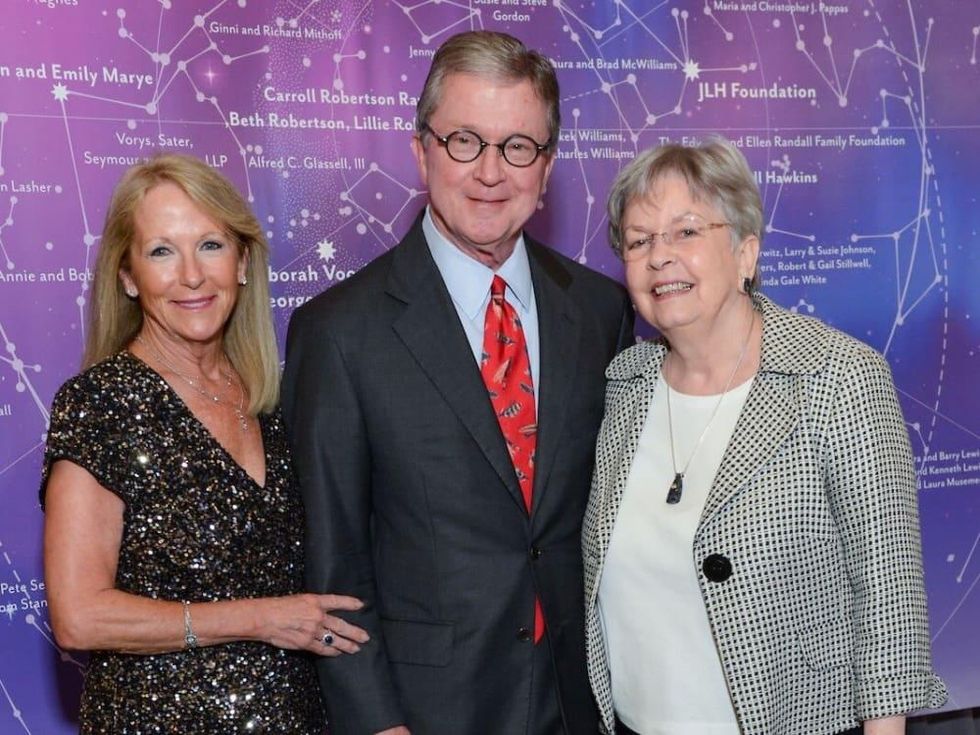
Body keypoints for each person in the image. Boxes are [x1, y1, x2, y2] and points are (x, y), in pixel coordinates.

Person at [282, 30, 634, 735]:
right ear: (421, 151)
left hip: (583, 702)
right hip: (427, 713)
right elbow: (333, 559)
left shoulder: (601, 310)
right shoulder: (339, 332)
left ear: (547, 167)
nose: (490, 172)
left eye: (517, 147)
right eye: (464, 141)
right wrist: (377, 723)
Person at [582, 136, 947, 735]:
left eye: (687, 232)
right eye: (640, 240)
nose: (659, 256)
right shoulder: (627, 384)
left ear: (746, 253)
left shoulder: (835, 376)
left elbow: (889, 590)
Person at [41, 154, 369, 734]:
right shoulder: (101, 403)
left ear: (243, 261)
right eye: (162, 251)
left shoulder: (275, 399)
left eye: (211, 245)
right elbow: (80, 616)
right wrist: (258, 618)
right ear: (127, 276)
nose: (191, 275)